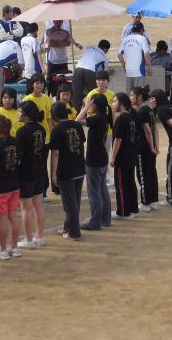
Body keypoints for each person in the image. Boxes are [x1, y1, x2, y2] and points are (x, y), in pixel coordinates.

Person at [48, 102, 86, 240]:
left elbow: (55, 154)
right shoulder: (76, 125)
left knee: (69, 204)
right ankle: (67, 227)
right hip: (80, 167)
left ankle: (74, 232)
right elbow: (81, 141)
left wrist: (53, 174)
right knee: (75, 201)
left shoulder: (57, 130)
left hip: (66, 170)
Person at [0, 115, 22, 259]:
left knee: (2, 219)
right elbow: (18, 161)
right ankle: (14, 247)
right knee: (13, 216)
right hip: (14, 184)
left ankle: (3, 249)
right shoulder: (15, 142)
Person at [75, 93, 112, 230]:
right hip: (101, 158)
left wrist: (85, 107)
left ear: (96, 105)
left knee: (94, 192)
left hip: (94, 159)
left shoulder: (97, 118)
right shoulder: (104, 117)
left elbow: (77, 121)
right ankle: (105, 219)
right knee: (102, 189)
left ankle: (95, 221)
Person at [15, 100, 47, 249]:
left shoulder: (22, 132)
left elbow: (17, 154)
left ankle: (28, 239)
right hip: (40, 170)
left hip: (26, 172)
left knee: (25, 207)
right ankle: (39, 236)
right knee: (38, 205)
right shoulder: (41, 129)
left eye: (20, 112)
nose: (18, 114)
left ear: (25, 115)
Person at [84, 70, 117, 185]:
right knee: (95, 152)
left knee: (105, 151)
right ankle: (98, 174)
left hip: (107, 130)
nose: (100, 82)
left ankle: (106, 174)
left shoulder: (112, 94)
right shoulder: (91, 94)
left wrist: (113, 127)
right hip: (96, 129)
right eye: (98, 80)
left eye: (103, 80)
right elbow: (88, 113)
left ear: (107, 81)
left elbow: (113, 113)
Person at [110, 93, 139, 218]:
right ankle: (133, 208)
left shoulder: (121, 118)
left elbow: (118, 139)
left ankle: (122, 211)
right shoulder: (131, 117)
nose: (113, 104)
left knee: (121, 185)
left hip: (122, 156)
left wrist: (112, 156)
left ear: (121, 103)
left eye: (115, 101)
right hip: (131, 154)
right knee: (130, 182)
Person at [130, 86, 159, 212]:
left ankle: (146, 202)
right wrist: (156, 146)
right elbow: (155, 129)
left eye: (132, 95)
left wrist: (152, 147)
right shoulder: (149, 110)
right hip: (150, 148)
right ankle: (153, 201)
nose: (130, 97)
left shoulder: (141, 112)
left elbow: (148, 130)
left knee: (142, 175)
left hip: (143, 148)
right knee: (151, 173)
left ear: (139, 97)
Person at [42, 19, 82, 95]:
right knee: (49, 82)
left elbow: (69, 42)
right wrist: (62, 42)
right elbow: (49, 44)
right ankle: (47, 97)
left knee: (64, 82)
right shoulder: (48, 31)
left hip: (63, 61)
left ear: (62, 22)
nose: (58, 23)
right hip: (52, 62)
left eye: (60, 22)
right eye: (56, 22)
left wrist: (76, 44)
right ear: (53, 22)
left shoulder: (66, 32)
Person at [119, 22, 152, 93]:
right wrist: (149, 67)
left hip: (128, 71)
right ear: (141, 30)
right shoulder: (142, 39)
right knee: (138, 94)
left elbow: (119, 55)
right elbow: (146, 54)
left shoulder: (125, 39)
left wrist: (124, 66)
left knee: (129, 94)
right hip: (139, 71)